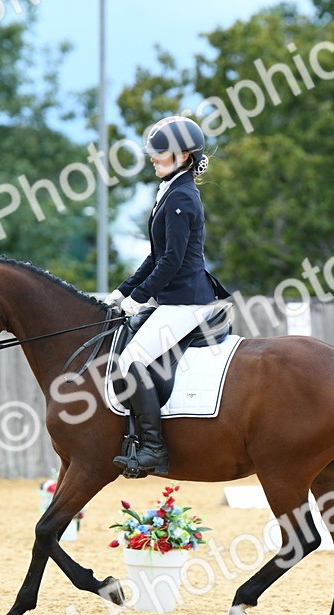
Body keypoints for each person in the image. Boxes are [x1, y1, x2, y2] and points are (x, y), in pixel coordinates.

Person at [106, 115, 230, 476]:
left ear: (185, 157)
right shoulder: (171, 190)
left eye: (162, 154)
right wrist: (123, 292)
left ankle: (153, 450)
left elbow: (172, 262)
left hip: (187, 301)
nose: (154, 158)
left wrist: (138, 299)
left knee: (130, 363)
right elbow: (155, 256)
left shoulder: (182, 198)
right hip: (177, 297)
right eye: (155, 152)